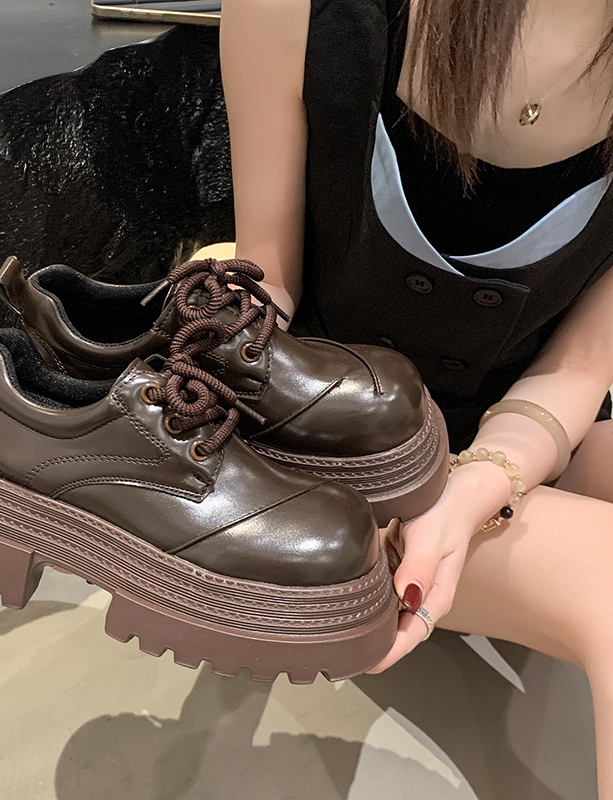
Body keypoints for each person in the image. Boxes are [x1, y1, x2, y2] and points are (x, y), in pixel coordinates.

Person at [220, 0, 613, 795]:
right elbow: (269, 277)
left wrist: (481, 483)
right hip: (339, 444)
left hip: (526, 430)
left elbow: (580, 367)